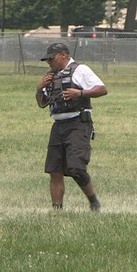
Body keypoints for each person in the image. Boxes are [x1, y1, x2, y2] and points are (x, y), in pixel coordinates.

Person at [36, 43, 108, 211]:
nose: (49, 63)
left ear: (63, 55)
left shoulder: (80, 70)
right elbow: (42, 103)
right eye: (47, 60)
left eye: (51, 59)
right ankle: (56, 210)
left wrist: (80, 93)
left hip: (78, 123)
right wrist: (39, 89)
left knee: (76, 168)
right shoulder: (51, 76)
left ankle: (94, 202)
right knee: (54, 170)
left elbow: (102, 89)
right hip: (58, 125)